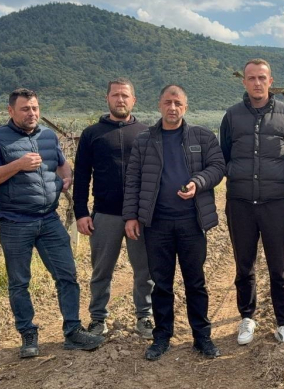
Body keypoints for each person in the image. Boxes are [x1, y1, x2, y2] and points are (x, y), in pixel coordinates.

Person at [0, 88, 104, 358]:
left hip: (49, 219)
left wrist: (65, 179)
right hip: (15, 222)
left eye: (35, 108)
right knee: (19, 282)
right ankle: (28, 334)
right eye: (25, 109)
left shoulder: (48, 135)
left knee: (67, 276)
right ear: (11, 111)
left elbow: (61, 164)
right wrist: (18, 165)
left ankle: (73, 331)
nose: (32, 113)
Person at [123, 85, 225, 361]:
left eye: (178, 103)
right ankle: (162, 337)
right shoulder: (145, 140)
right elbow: (133, 180)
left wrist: (197, 182)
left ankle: (202, 337)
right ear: (159, 105)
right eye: (168, 102)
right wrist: (131, 216)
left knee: (196, 282)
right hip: (157, 224)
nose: (172, 107)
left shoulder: (202, 136)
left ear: (185, 107)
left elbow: (217, 167)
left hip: (192, 222)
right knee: (161, 283)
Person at [219, 58, 284, 348]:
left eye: (262, 78)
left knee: (279, 267)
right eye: (251, 78)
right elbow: (223, 156)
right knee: (244, 265)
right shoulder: (232, 116)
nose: (257, 83)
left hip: (275, 203)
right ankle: (247, 317)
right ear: (244, 82)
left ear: (270, 81)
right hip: (240, 202)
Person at [73, 78, 154, 338]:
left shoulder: (146, 133)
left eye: (125, 96)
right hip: (105, 214)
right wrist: (81, 213)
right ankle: (98, 318)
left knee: (144, 270)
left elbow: (154, 176)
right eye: (116, 95)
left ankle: (145, 316)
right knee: (101, 271)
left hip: (140, 216)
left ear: (134, 100)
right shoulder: (92, 134)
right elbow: (82, 176)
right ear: (107, 98)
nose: (120, 100)